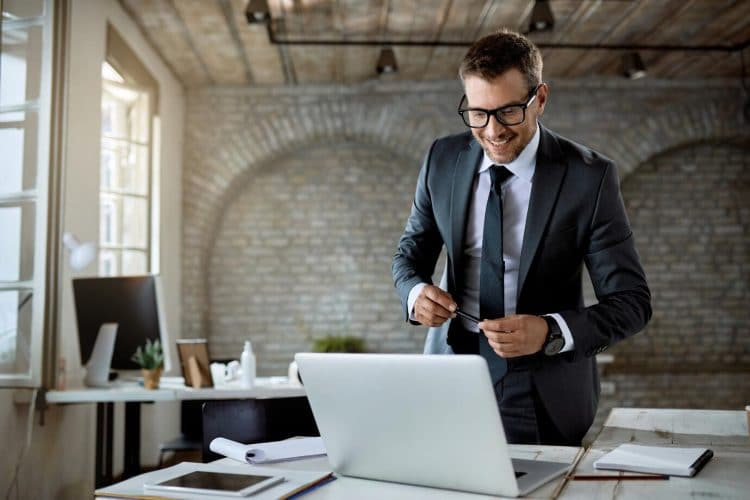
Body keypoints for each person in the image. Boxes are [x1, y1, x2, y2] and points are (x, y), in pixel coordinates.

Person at [392, 29, 651, 446]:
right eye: (478, 113)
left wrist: (549, 330)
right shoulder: (442, 159)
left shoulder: (589, 177)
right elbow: (409, 255)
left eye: (509, 111)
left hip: (542, 388)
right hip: (450, 375)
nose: (493, 131)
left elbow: (632, 303)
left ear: (540, 99)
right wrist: (415, 292)